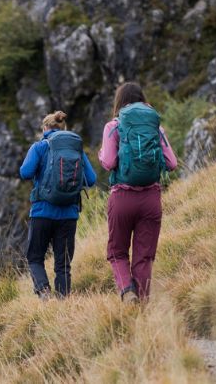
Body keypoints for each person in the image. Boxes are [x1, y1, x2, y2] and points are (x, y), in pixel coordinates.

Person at [98, 82, 177, 302]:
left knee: (117, 252)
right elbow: (172, 163)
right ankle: (142, 306)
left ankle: (127, 291)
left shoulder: (113, 126)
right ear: (142, 99)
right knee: (144, 257)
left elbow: (109, 161)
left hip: (122, 198)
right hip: (151, 198)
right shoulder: (155, 127)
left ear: (119, 102)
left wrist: (100, 154)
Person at [20, 111, 97, 300]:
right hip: (69, 215)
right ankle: (63, 304)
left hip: (42, 212)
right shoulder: (76, 148)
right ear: (63, 128)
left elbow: (25, 172)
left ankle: (44, 291)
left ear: (45, 129)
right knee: (63, 265)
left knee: (35, 258)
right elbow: (92, 179)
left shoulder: (40, 146)